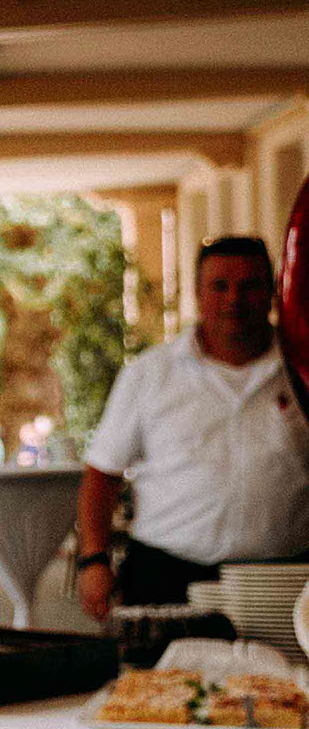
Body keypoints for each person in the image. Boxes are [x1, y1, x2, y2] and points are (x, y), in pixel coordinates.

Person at [76, 235, 309, 618]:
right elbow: (102, 475)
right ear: (198, 294)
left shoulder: (301, 369)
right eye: (219, 286)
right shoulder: (150, 373)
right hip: (168, 576)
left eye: (249, 285)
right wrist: (94, 560)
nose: (234, 299)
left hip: (285, 580)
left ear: (272, 290)